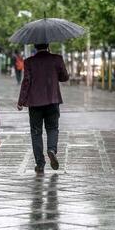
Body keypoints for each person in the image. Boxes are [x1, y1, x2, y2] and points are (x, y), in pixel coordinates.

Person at [17, 43, 69, 174]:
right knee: (52, 128)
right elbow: (64, 77)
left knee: (36, 132)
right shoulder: (56, 59)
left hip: (35, 103)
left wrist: (21, 101)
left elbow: (26, 82)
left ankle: (40, 163)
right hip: (52, 100)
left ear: (35, 46)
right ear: (48, 45)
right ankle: (51, 150)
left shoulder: (29, 62)